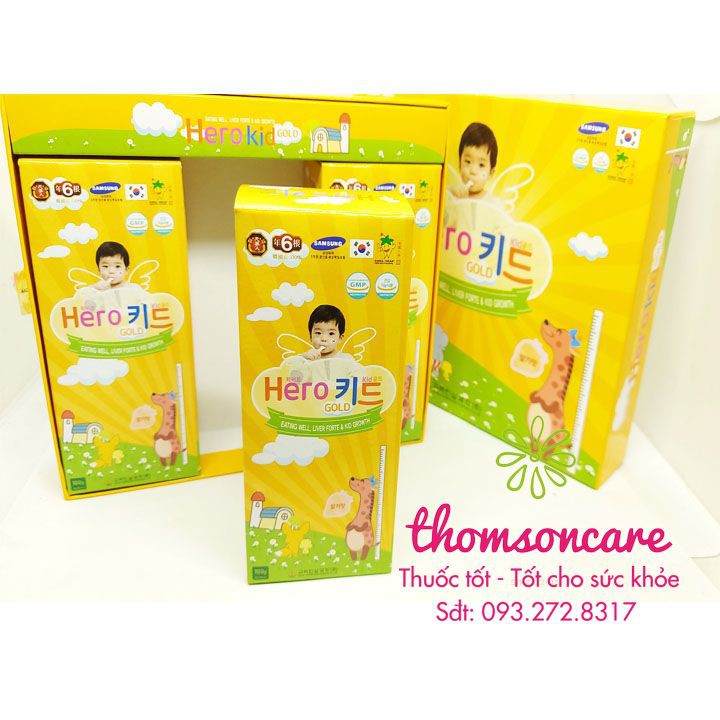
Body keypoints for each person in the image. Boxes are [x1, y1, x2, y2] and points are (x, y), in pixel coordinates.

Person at [449, 122, 498, 199]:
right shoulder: (450, 194)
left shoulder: (492, 203)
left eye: (481, 165)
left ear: (491, 173)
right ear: (459, 164)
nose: (473, 171)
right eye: (468, 162)